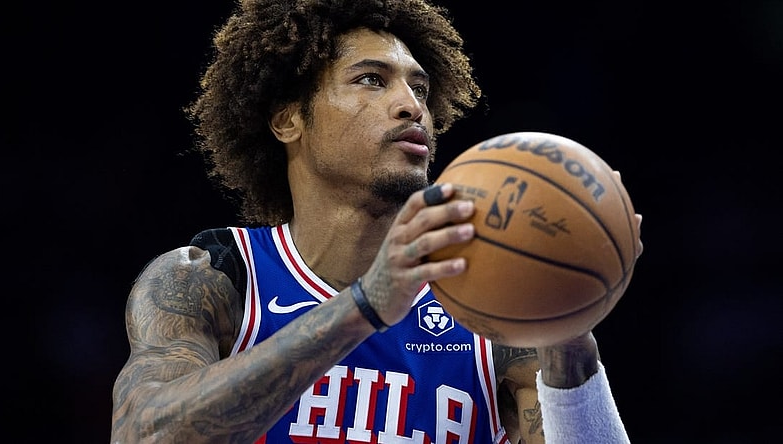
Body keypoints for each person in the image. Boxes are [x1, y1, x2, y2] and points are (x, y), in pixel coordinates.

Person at [111, 0, 642, 443]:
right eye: (371, 80)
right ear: (287, 119)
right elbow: (143, 432)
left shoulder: (487, 305)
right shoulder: (215, 277)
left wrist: (568, 334)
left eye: (421, 90)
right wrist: (364, 306)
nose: (411, 105)